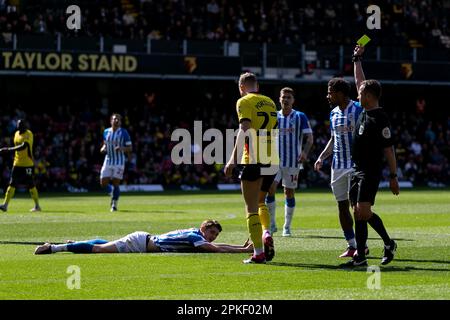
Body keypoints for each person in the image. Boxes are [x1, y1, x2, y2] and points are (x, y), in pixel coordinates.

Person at [342, 45, 399, 267]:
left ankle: (388, 242)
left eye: (360, 93)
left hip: (370, 171)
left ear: (369, 96)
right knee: (358, 213)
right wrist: (357, 59)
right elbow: (360, 82)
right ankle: (361, 258)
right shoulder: (365, 111)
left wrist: (393, 175)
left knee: (363, 212)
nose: (357, 94)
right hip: (357, 169)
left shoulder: (380, 118)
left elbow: (388, 149)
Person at [224, 72, 278, 264]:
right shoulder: (271, 102)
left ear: (241, 88)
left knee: (251, 208)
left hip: (253, 158)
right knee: (261, 201)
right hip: (272, 157)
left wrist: (233, 159)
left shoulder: (244, 102)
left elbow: (244, 130)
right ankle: (265, 231)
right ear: (257, 86)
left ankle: (258, 253)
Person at [314, 78, 369, 258]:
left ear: (339, 93)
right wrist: (322, 156)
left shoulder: (358, 109)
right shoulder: (333, 114)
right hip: (337, 166)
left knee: (356, 207)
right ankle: (352, 244)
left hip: (355, 166)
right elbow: (333, 138)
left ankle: (363, 245)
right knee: (342, 206)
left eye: (330, 92)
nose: (328, 96)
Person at [34, 220, 253, 254]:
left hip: (143, 239)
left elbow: (211, 245)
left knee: (104, 245)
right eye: (212, 232)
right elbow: (214, 249)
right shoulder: (194, 237)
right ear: (203, 228)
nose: (213, 237)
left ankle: (75, 244)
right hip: (141, 243)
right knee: (100, 250)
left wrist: (238, 246)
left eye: (215, 234)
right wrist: (242, 250)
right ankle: (54, 248)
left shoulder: (197, 235)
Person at [266, 87, 313, 237]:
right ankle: (272, 225)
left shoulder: (300, 116)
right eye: (283, 97)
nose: (285, 100)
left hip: (293, 161)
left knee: (289, 192)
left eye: (288, 97)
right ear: (279, 99)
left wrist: (305, 152)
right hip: (274, 161)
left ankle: (287, 226)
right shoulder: (273, 117)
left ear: (293, 100)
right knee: (270, 189)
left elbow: (309, 138)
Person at [0, 119, 41, 212]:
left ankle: (37, 206)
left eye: (22, 125)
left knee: (31, 185)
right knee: (12, 183)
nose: (20, 126)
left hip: (27, 164)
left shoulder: (29, 134)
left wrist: (8, 149)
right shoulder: (16, 134)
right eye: (19, 125)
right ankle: (5, 205)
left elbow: (24, 146)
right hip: (17, 163)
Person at [100, 114, 132, 212]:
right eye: (114, 119)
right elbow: (105, 144)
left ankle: (114, 204)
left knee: (116, 183)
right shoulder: (106, 132)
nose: (116, 120)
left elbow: (130, 148)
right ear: (111, 121)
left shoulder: (124, 132)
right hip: (108, 159)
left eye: (118, 119)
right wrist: (103, 148)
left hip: (119, 161)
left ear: (120, 122)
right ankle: (112, 192)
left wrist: (121, 148)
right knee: (103, 182)